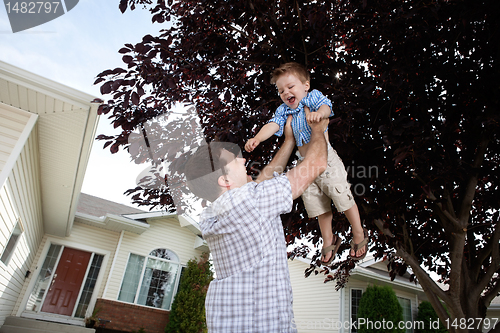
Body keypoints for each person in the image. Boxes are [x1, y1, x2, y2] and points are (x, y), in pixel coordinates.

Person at [184, 116, 328, 333]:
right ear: (224, 181)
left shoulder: (216, 213)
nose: (243, 161)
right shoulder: (249, 203)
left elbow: (263, 183)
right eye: (235, 160)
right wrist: (318, 129)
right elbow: (316, 163)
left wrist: (289, 141)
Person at [245, 62, 368, 265]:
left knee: (341, 195)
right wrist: (258, 138)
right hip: (304, 163)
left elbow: (327, 106)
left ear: (305, 85)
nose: (286, 93)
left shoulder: (313, 98)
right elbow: (273, 124)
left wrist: (320, 114)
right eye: (281, 90)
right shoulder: (284, 110)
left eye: (290, 87)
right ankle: (329, 239)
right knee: (317, 205)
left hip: (326, 159)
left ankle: (358, 231)